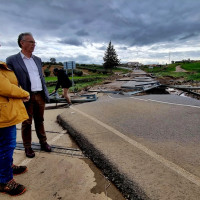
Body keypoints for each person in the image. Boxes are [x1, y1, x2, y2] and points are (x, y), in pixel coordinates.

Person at [6, 32, 51, 158]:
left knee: (40, 120)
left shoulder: (37, 59)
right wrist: (19, 94)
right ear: (22, 43)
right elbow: (11, 80)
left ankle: (43, 142)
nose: (34, 44)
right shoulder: (12, 60)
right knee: (27, 123)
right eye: (31, 42)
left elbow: (41, 78)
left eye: (34, 42)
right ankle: (28, 147)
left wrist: (45, 93)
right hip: (26, 96)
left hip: (40, 95)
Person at [0, 61, 30, 196]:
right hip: (2, 114)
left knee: (6, 145)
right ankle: (4, 180)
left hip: (5, 111)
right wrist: (24, 93)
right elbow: (5, 87)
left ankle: (7, 167)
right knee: (6, 145)